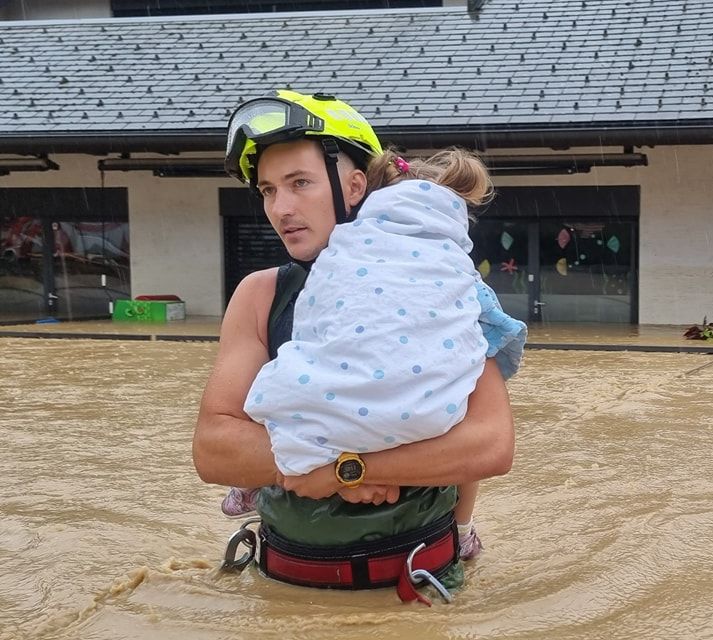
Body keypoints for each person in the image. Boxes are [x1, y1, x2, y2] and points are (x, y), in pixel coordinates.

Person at [193, 90, 515, 599]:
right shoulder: (260, 295)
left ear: (355, 185)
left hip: (419, 589)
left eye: (300, 184)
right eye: (268, 190)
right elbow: (213, 450)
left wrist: (348, 467)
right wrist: (341, 470)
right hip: (283, 587)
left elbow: (491, 444)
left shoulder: (443, 283)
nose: (282, 208)